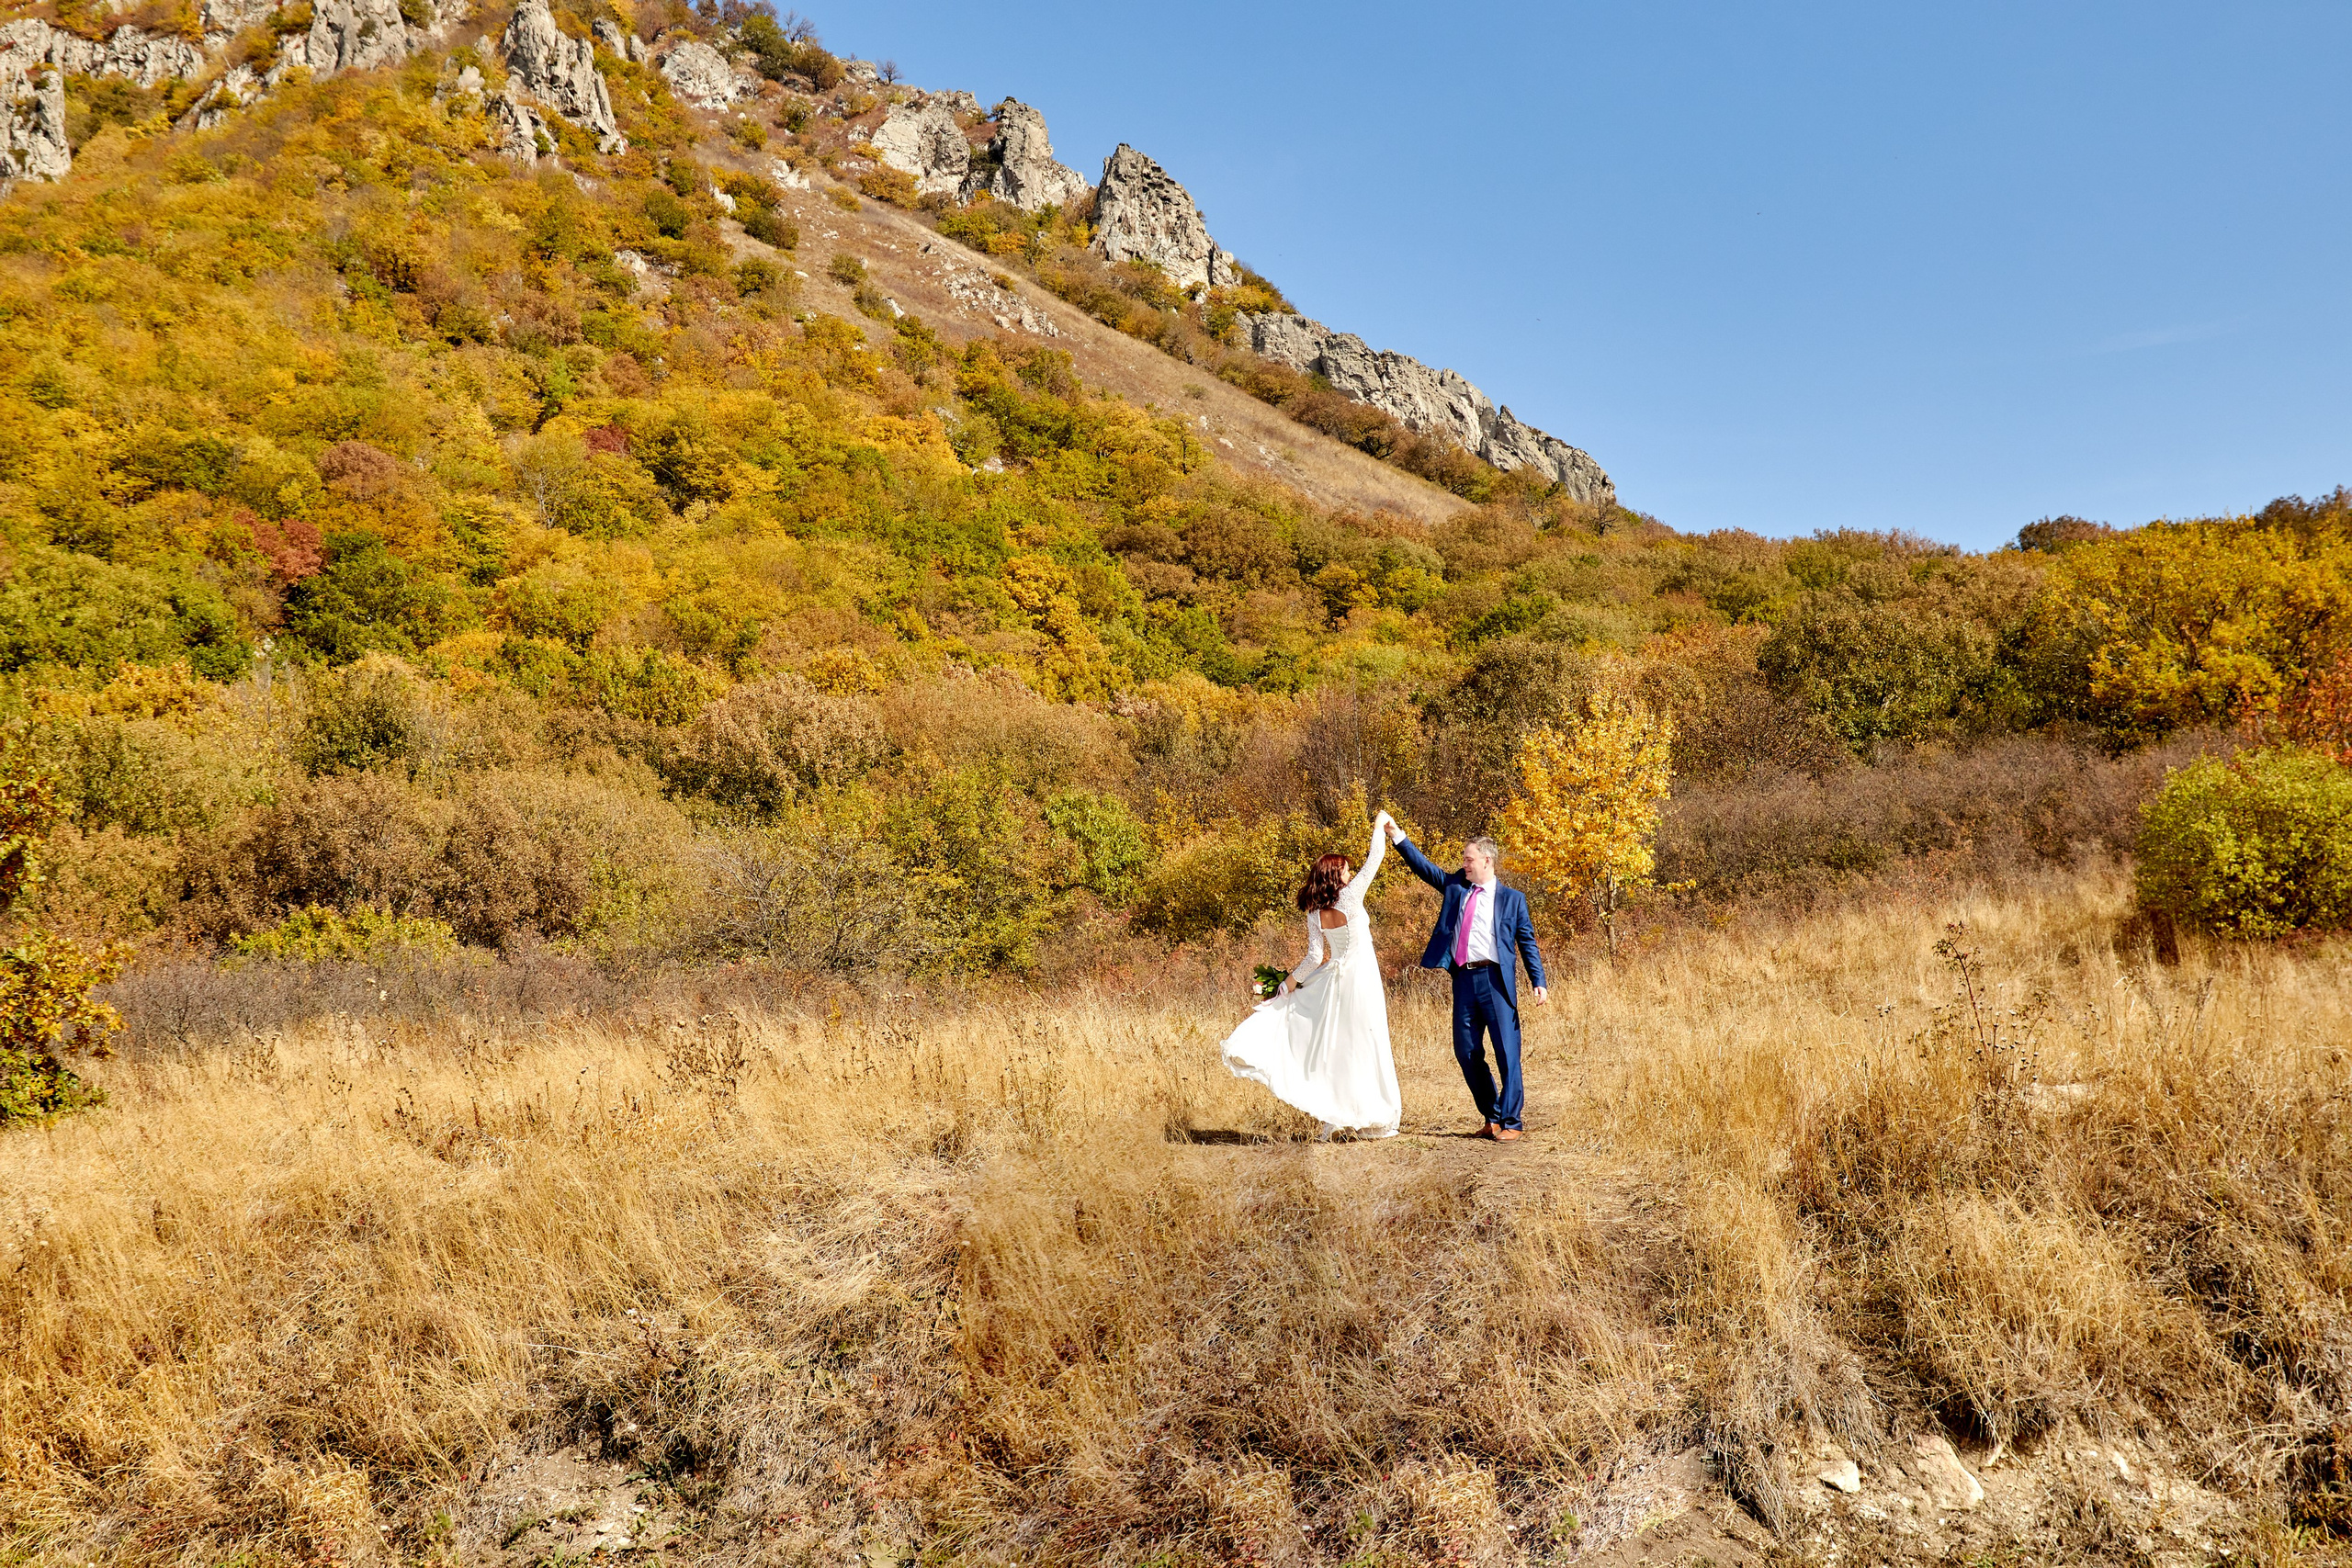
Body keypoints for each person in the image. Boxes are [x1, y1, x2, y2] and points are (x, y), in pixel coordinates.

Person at [1219, 812, 1401, 1140]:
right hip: (1361, 977)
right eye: (1345, 868)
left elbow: (1315, 957)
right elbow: (1376, 858)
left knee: (1338, 1046)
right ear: (1336, 875)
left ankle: (1336, 1114)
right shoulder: (1351, 895)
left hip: (1334, 979)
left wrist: (1286, 988)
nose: (1349, 871)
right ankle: (1366, 1115)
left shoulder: (1315, 912)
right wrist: (1379, 826)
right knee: (1366, 1041)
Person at [1385, 824, 1547, 1142]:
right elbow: (1424, 868)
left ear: (1487, 860)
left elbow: (1527, 942)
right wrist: (1397, 837)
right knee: (1467, 1051)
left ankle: (1512, 1122)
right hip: (1463, 980)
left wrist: (1537, 980)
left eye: (1469, 859)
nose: (1464, 864)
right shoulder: (1456, 887)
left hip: (1496, 982)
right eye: (1464, 859)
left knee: (1507, 1053)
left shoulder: (1513, 900)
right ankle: (1493, 1116)